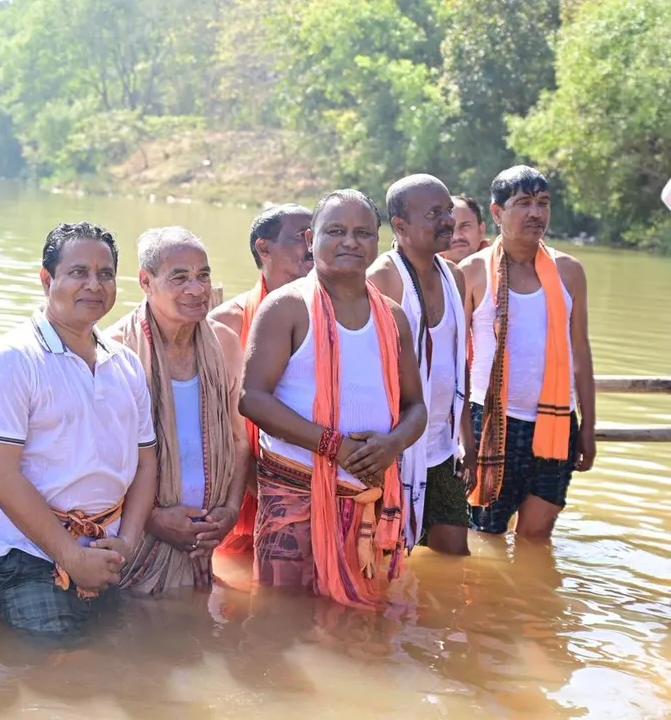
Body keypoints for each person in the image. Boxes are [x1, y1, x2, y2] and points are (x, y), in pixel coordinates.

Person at [240, 190, 426, 608]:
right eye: (336, 231)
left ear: (377, 243)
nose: (350, 242)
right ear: (311, 238)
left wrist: (392, 445)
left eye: (362, 233)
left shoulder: (393, 316)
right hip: (295, 497)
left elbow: (416, 408)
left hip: (368, 494)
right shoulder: (286, 307)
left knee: (364, 625)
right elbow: (252, 399)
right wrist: (333, 446)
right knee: (281, 625)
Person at [0, 221, 159, 637]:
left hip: (107, 553)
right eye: (78, 272)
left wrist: (126, 543)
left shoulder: (125, 364)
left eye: (105, 274)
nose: (94, 285)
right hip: (25, 556)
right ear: (46, 279)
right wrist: (71, 557)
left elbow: (147, 462)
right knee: (58, 675)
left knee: (126, 664)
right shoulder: (14, 359)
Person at [107, 226, 252, 595]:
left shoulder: (224, 342)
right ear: (145, 281)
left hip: (205, 541)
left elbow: (239, 438)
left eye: (203, 275)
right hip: (135, 543)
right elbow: (101, 459)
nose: (197, 289)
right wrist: (153, 519)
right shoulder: (115, 350)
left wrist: (231, 511)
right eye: (180, 278)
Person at [460, 166, 596, 540]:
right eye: (523, 203)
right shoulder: (471, 272)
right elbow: (455, 360)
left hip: (557, 425)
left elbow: (581, 353)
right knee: (485, 536)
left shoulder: (569, 271)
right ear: (497, 212)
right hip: (492, 424)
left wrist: (588, 429)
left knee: (537, 539)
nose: (536, 213)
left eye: (543, 203)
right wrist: (463, 439)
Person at [368, 175, 473, 556]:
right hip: (395, 448)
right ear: (400, 226)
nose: (448, 220)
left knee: (454, 556)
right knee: (386, 559)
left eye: (449, 210)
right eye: (435, 213)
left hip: (442, 448)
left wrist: (468, 440)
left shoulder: (454, 277)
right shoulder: (383, 278)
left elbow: (457, 363)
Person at [209, 203, 314, 553]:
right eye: (301, 237)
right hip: (246, 486)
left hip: (313, 482)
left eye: (316, 235)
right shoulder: (227, 322)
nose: (311, 246)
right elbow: (214, 423)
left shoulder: (332, 315)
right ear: (263, 248)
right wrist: (263, 486)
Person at [441, 194, 489, 264]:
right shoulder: (424, 272)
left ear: (481, 230)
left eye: (465, 226)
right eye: (448, 229)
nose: (456, 236)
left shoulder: (502, 265)